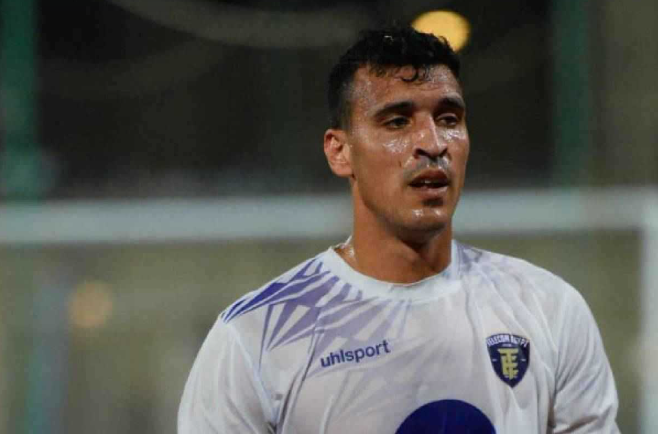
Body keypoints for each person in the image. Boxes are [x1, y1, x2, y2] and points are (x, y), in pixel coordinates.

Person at [178, 26, 620, 433]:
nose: (433, 143)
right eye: (397, 121)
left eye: (449, 119)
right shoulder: (257, 336)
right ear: (339, 151)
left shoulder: (549, 310)